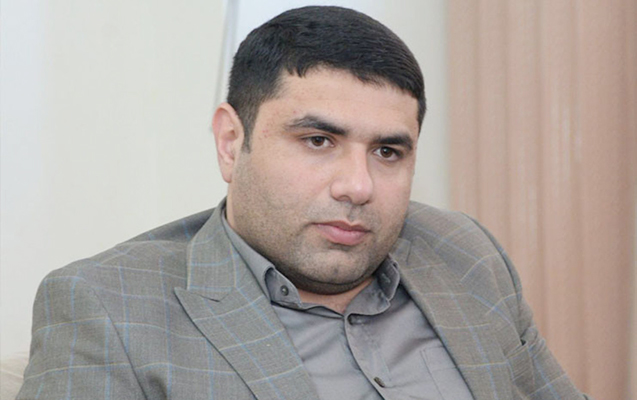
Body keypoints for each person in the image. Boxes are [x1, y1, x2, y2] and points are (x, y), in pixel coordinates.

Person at [18, 6, 590, 400]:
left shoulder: (466, 254)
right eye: (318, 141)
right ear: (231, 141)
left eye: (388, 152)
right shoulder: (110, 307)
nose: (357, 186)